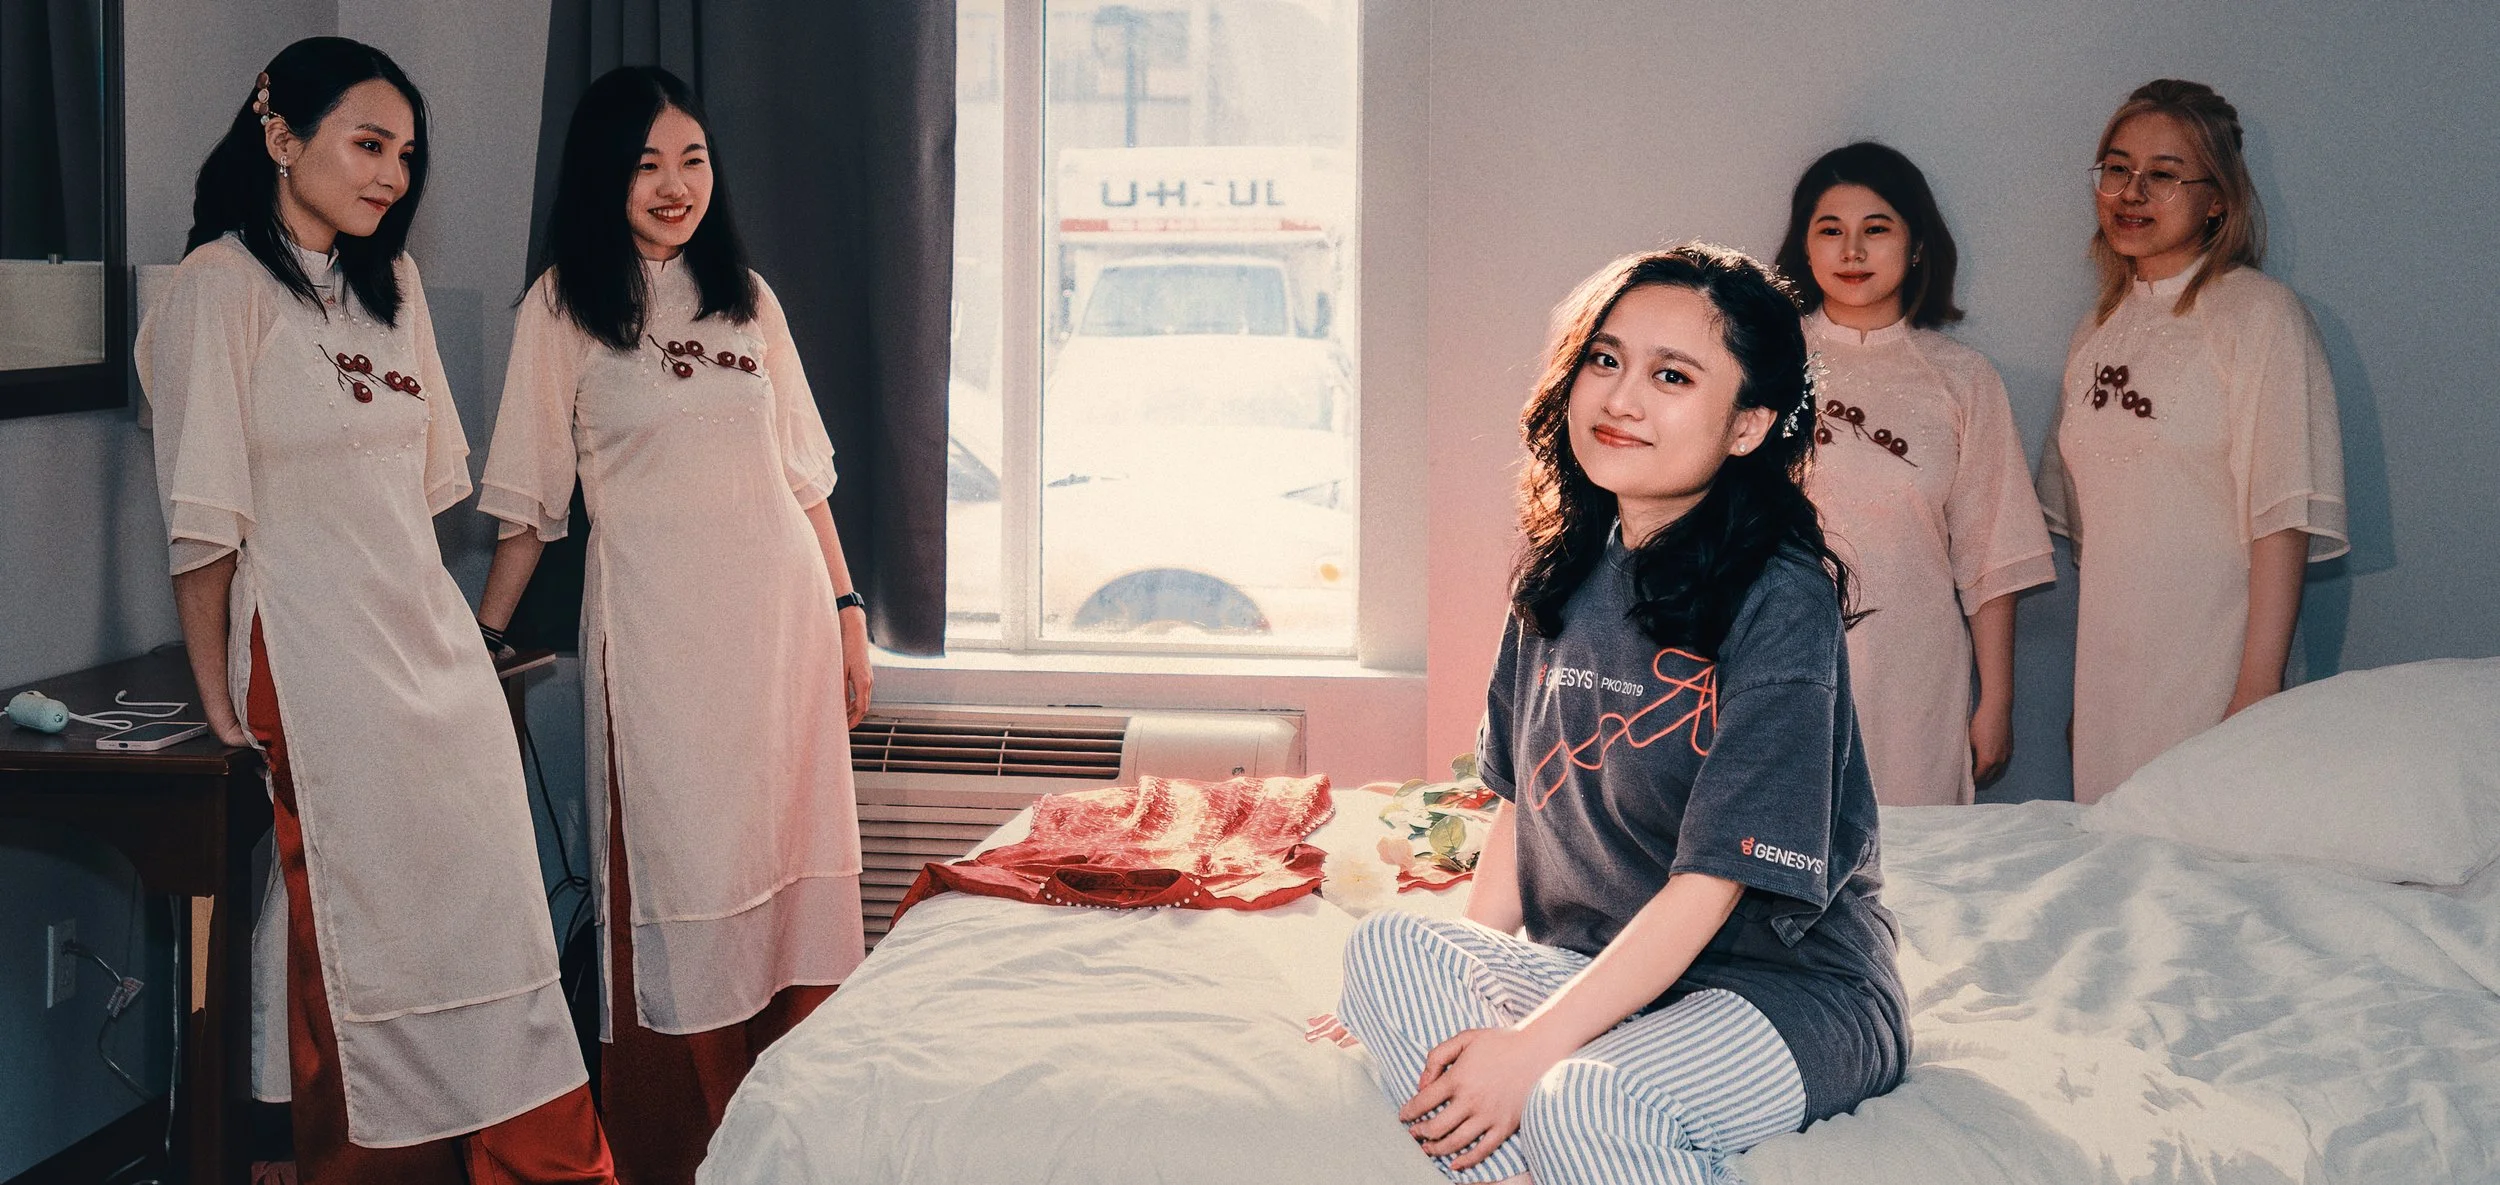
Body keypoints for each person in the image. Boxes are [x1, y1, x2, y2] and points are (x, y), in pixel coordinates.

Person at [137, 36, 614, 1185]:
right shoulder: (215, 291)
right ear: (281, 134)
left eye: (406, 153)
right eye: (367, 144)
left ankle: (525, 1155)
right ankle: (366, 1162)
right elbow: (204, 519)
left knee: (491, 911)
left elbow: (420, 496)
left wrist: (466, 636)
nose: (393, 174)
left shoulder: (389, 287)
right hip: (307, 649)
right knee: (359, 922)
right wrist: (218, 694)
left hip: (428, 648)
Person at [1337, 244, 1907, 1184]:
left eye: (1671, 375)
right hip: (1603, 970)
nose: (1621, 397)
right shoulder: (1563, 573)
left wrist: (1529, 1052)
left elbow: (1713, 883)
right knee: (1391, 946)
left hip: (1787, 993)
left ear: (1749, 425)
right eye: (1605, 359)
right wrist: (1438, 990)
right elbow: (1523, 814)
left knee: (1584, 1097)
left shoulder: (1780, 598)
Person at [474, 65, 871, 1185]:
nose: (674, 183)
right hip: (658, 650)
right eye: (647, 162)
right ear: (605, 174)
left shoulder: (746, 295)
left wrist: (846, 612)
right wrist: (480, 640)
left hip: (782, 632)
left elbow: (804, 477)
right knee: (678, 880)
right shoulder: (560, 309)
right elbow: (529, 506)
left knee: (791, 876)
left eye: (692, 159)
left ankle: (801, 1150)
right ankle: (691, 1153)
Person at [2036, 80, 2347, 804]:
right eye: (2117, 169)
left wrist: (2257, 689)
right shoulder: (2096, 331)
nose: (2132, 192)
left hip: (2221, 676)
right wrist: (2090, 700)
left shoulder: (2261, 316)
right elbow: (2099, 541)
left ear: (2218, 199)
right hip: (2114, 683)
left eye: (2165, 174)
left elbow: (2283, 519)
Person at [1773, 141, 2054, 805]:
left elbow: (1992, 553)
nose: (1852, 252)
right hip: (1779, 666)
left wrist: (1997, 703)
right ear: (1804, 248)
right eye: (1830, 231)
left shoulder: (1962, 379)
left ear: (1917, 245)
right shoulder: (1764, 365)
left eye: (1877, 230)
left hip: (1918, 675)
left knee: (1916, 879)